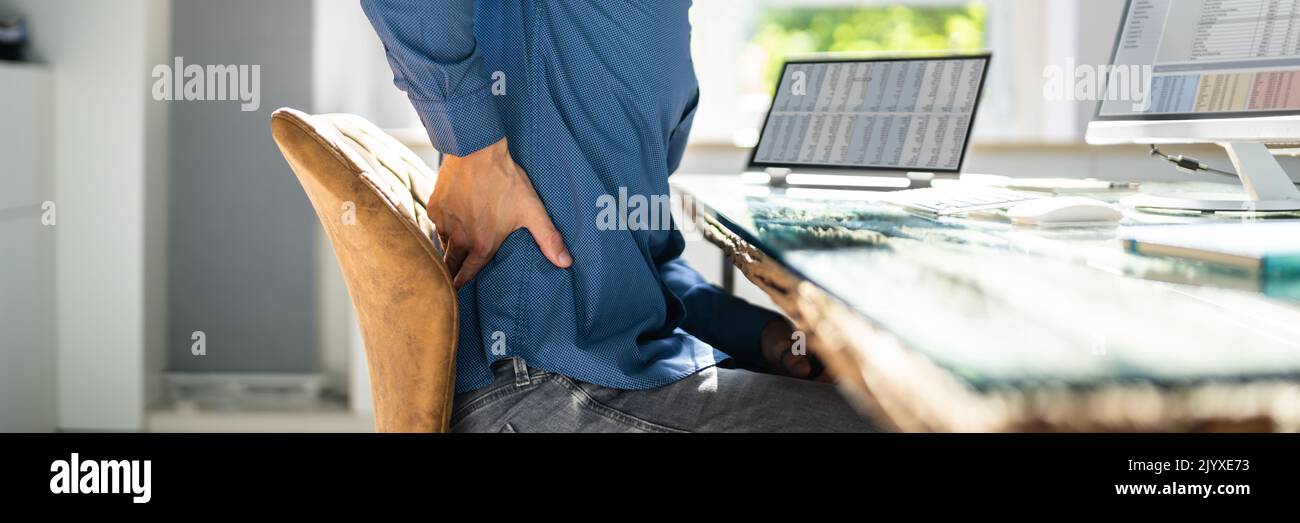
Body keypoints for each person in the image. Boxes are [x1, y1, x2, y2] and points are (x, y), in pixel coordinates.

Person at [361, 0, 876, 432]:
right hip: (541, 380)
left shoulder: (669, 37)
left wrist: (758, 334)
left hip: (633, 364)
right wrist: (473, 149)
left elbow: (647, 258)